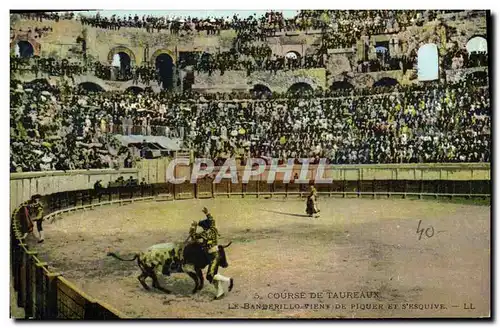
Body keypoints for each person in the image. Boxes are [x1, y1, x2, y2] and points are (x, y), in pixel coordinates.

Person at [190, 207, 233, 299]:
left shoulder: (205, 233)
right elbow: (212, 220)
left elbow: (193, 236)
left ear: (204, 227)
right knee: (213, 275)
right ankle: (220, 293)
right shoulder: (213, 228)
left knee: (210, 275)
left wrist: (193, 226)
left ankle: (228, 280)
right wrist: (207, 213)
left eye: (202, 226)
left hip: (213, 256)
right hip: (216, 253)